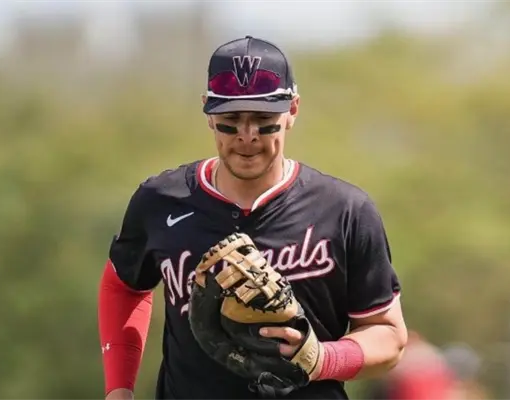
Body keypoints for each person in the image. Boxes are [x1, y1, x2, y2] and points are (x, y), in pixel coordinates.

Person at [98, 35, 408, 400]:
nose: (247, 136)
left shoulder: (345, 211)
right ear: (208, 112)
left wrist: (323, 359)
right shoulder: (161, 202)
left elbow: (389, 335)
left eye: (263, 120)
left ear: (292, 110)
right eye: (230, 120)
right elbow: (123, 286)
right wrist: (119, 389)